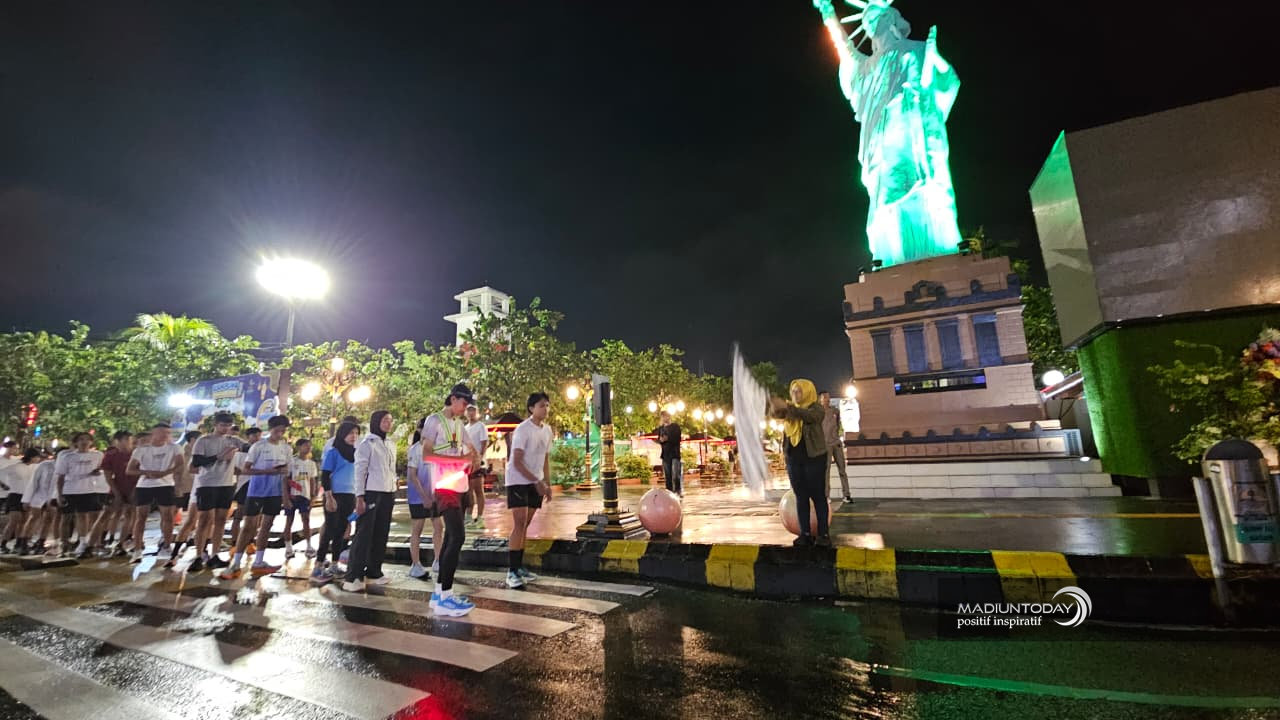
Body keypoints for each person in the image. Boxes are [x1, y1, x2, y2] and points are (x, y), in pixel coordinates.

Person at [420, 384, 480, 616]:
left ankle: (440, 593)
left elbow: (472, 449)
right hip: (444, 485)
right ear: (453, 399)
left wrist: (473, 457)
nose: (465, 409)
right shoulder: (434, 421)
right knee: (457, 536)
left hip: (458, 485)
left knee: (450, 538)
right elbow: (427, 454)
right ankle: (446, 595)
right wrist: (459, 460)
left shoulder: (459, 425)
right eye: (463, 404)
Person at [219, 416, 292, 579]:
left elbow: (286, 473)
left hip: (275, 492)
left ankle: (259, 561)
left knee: (266, 525)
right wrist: (268, 471)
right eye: (277, 430)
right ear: (270, 429)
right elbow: (246, 469)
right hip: (256, 491)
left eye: (283, 431)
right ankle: (236, 563)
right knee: (249, 526)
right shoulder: (258, 446)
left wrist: (285, 496)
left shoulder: (286, 449)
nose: (280, 434)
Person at [770, 379, 831, 547]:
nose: (795, 394)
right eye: (793, 391)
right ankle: (805, 534)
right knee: (801, 497)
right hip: (794, 459)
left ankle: (823, 534)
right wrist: (774, 404)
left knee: (818, 496)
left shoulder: (816, 408)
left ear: (807, 391)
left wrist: (789, 407)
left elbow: (811, 417)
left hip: (814, 458)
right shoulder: (791, 410)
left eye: (798, 391)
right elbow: (777, 414)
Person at [343, 410, 397, 592]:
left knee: (381, 533)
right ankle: (353, 576)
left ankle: (374, 571)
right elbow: (360, 471)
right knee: (364, 534)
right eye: (384, 420)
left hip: (388, 492)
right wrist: (359, 497)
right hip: (371, 493)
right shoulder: (367, 444)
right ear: (376, 422)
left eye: (390, 420)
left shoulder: (390, 444)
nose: (388, 423)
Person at [505, 393, 553, 588]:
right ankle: (512, 571)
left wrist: (547, 483)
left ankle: (520, 566)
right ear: (531, 408)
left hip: (536, 480)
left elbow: (545, 458)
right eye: (541, 405)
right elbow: (516, 461)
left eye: (547, 405)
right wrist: (537, 481)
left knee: (526, 524)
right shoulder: (523, 429)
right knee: (519, 523)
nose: (545, 409)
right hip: (518, 480)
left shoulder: (547, 430)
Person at [188, 412, 241, 573]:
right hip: (207, 483)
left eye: (228, 425)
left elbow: (250, 446)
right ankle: (198, 555)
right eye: (223, 425)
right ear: (215, 425)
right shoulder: (203, 440)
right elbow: (197, 461)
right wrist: (218, 457)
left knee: (221, 520)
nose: (226, 428)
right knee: (204, 519)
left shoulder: (233, 440)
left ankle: (215, 554)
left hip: (226, 484)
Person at [125, 423, 183, 562]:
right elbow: (130, 470)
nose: (165, 435)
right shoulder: (142, 450)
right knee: (141, 517)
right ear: (154, 433)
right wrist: (146, 472)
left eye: (168, 433)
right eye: (162, 432)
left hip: (166, 485)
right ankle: (137, 549)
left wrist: (165, 473)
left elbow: (180, 465)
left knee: (168, 516)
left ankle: (166, 545)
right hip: (145, 486)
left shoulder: (174, 447)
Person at [312, 421, 359, 585]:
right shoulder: (333, 452)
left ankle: (334, 564)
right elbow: (325, 476)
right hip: (334, 495)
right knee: (329, 530)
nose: (353, 436)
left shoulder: (356, 453)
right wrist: (329, 497)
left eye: (356, 433)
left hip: (349, 495)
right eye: (350, 433)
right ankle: (318, 566)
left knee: (341, 530)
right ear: (342, 434)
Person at [54, 432, 106, 558]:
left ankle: (82, 542)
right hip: (70, 490)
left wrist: (97, 472)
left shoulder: (97, 455)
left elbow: (101, 468)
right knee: (66, 518)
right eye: (81, 439)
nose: (84, 442)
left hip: (88, 490)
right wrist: (59, 494)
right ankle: (64, 544)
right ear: (76, 442)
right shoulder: (67, 456)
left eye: (87, 440)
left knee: (83, 516)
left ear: (91, 442)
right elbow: (60, 477)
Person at [405, 418, 443, 581]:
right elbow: (413, 476)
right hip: (417, 497)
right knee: (417, 529)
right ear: (420, 430)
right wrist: (424, 496)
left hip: (434, 495)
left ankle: (438, 559)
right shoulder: (415, 450)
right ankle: (415, 564)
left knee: (439, 527)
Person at [165, 430, 202, 567]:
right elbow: (178, 471)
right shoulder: (183, 453)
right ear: (192, 440)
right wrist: (178, 487)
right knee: (185, 518)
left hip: (196, 488)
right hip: (186, 489)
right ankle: (172, 550)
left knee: (201, 520)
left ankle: (197, 546)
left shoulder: (199, 451)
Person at [100, 430, 137, 557]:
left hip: (134, 489)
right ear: (118, 441)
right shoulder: (111, 455)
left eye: (130, 440)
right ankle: (98, 541)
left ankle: (122, 543)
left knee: (130, 515)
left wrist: (134, 490)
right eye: (126, 440)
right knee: (107, 514)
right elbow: (108, 476)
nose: (129, 442)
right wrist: (116, 493)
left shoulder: (136, 453)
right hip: (117, 488)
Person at [0, 449, 43, 553]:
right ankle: (3, 544)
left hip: (27, 496)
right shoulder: (15, 466)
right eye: (37, 457)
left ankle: (18, 543)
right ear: (31, 457)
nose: (39, 459)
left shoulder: (35, 467)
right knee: (14, 520)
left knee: (24, 521)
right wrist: (3, 485)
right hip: (15, 495)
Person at [226, 427, 261, 556]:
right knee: (239, 515)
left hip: (257, 485)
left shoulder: (260, 452)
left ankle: (251, 542)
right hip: (243, 486)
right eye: (254, 436)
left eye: (258, 436)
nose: (256, 438)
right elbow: (233, 469)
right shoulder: (239, 454)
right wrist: (243, 471)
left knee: (256, 517)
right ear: (248, 437)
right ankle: (234, 543)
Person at [282, 438, 317, 560]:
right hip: (292, 495)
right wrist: (286, 498)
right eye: (305, 445)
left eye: (309, 446)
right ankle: (288, 548)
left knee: (306, 520)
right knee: (289, 521)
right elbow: (285, 480)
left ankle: (309, 546)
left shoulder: (311, 464)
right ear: (298, 447)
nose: (308, 448)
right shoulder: (291, 462)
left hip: (305, 496)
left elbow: (312, 480)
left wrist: (313, 496)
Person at [22, 450, 58, 555]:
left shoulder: (65, 467)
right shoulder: (44, 465)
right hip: (39, 495)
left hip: (53, 497)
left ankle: (41, 543)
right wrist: (27, 499)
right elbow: (33, 481)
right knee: (33, 518)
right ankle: (23, 543)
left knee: (48, 520)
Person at [819, 391, 852, 503]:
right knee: (826, 471)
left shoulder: (835, 411)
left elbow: (838, 423)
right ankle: (826, 496)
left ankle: (846, 494)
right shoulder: (818, 413)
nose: (827, 399)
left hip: (836, 443)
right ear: (820, 399)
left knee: (842, 469)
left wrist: (836, 435)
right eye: (825, 397)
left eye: (828, 397)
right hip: (825, 445)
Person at [465, 405, 489, 527]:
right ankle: (468, 516)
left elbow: (484, 443)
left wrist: (479, 459)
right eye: (469, 410)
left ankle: (479, 517)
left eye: (473, 410)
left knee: (478, 489)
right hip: (467, 463)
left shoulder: (481, 426)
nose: (471, 413)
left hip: (478, 462)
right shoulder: (465, 428)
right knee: (468, 491)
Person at [655, 411, 683, 496]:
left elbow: (678, 438)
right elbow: (659, 439)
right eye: (662, 417)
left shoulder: (675, 426)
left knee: (675, 475)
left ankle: (678, 491)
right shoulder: (661, 428)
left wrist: (667, 438)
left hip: (674, 454)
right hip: (665, 455)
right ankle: (669, 493)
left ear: (669, 417)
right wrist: (660, 440)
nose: (664, 418)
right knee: (668, 476)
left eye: (665, 416)